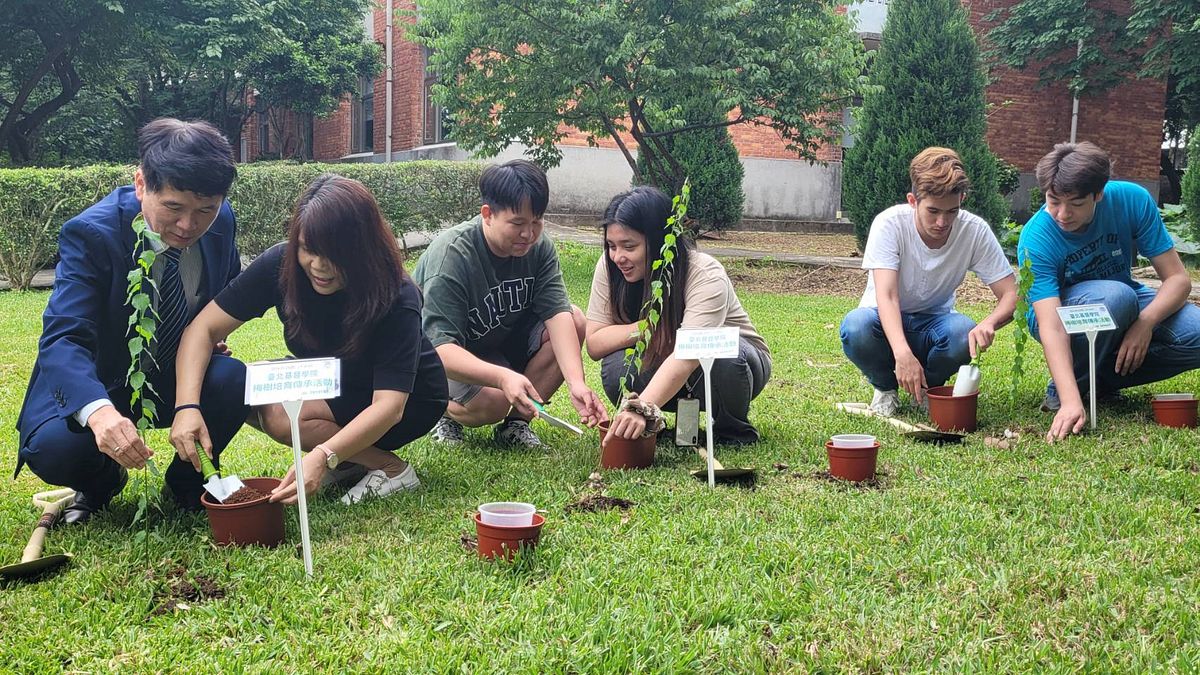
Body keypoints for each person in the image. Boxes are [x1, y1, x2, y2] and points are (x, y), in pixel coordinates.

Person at [14, 118, 246, 523]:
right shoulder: (91, 234)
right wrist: (100, 413)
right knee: (52, 448)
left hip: (173, 375)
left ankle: (188, 484)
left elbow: (219, 299)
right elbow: (64, 338)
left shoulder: (221, 221)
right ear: (141, 184)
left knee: (232, 379)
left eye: (204, 210)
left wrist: (205, 341)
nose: (189, 226)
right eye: (173, 207)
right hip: (103, 380)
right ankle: (103, 481)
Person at [171, 174, 448, 505]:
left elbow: (390, 407)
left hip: (410, 398)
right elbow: (202, 329)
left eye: (335, 255)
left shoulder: (395, 294)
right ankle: (351, 461)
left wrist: (322, 454)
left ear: (363, 249)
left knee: (281, 415)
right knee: (239, 387)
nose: (319, 266)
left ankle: (391, 468)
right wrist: (186, 407)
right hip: (333, 379)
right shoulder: (281, 264)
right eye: (308, 249)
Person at [413, 159, 606, 447]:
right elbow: (440, 348)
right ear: (488, 214)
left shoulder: (538, 248)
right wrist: (503, 377)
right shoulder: (453, 257)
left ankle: (515, 426)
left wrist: (576, 383)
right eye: (517, 223)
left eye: (536, 222)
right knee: (493, 402)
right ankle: (441, 409)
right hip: (437, 358)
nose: (529, 234)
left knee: (574, 319)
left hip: (497, 345)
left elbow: (557, 314)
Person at [1018, 141, 1200, 441]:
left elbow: (1178, 280)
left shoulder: (1132, 200)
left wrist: (1145, 323)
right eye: (1053, 201)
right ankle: (1070, 388)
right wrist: (1070, 402)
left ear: (1098, 194)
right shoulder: (1037, 236)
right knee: (1115, 298)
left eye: (1076, 203)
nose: (1062, 214)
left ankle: (1098, 378)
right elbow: (1050, 325)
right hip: (1060, 314)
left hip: (1125, 303)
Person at [586, 186, 772, 445]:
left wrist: (643, 408)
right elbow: (595, 343)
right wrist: (649, 327)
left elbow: (688, 354)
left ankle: (731, 429)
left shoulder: (705, 274)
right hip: (661, 362)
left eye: (629, 246)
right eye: (611, 246)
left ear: (660, 241)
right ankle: (656, 426)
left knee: (724, 350)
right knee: (618, 363)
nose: (618, 257)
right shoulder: (610, 267)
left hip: (732, 370)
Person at [841, 147, 1017, 415]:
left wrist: (990, 323)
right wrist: (901, 352)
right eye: (933, 211)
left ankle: (927, 390)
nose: (942, 222)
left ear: (962, 200)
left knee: (962, 332)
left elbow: (1012, 294)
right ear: (913, 200)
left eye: (952, 212)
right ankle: (886, 389)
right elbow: (887, 295)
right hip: (881, 320)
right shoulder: (889, 224)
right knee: (856, 327)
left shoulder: (974, 230)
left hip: (935, 324)